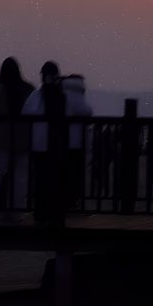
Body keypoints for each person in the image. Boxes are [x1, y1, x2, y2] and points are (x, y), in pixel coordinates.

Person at [0, 57, 35, 215]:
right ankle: (17, 210)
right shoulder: (28, 90)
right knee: (20, 179)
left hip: (2, 140)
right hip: (23, 140)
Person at [22, 61, 67, 224]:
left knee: (41, 179)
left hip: (41, 144)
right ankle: (55, 213)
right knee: (55, 179)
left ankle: (41, 211)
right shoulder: (61, 94)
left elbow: (27, 113)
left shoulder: (38, 95)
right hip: (57, 144)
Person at [61, 74, 93, 210]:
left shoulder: (62, 92)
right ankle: (73, 201)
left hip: (63, 140)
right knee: (75, 173)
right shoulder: (75, 94)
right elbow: (87, 111)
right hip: (76, 141)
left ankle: (66, 200)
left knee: (65, 173)